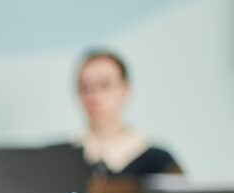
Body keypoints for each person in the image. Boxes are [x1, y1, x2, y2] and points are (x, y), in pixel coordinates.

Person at [76, 49, 183, 178]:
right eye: (85, 87)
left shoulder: (159, 162)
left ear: (125, 89)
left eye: (105, 85)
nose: (95, 96)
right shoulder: (60, 161)